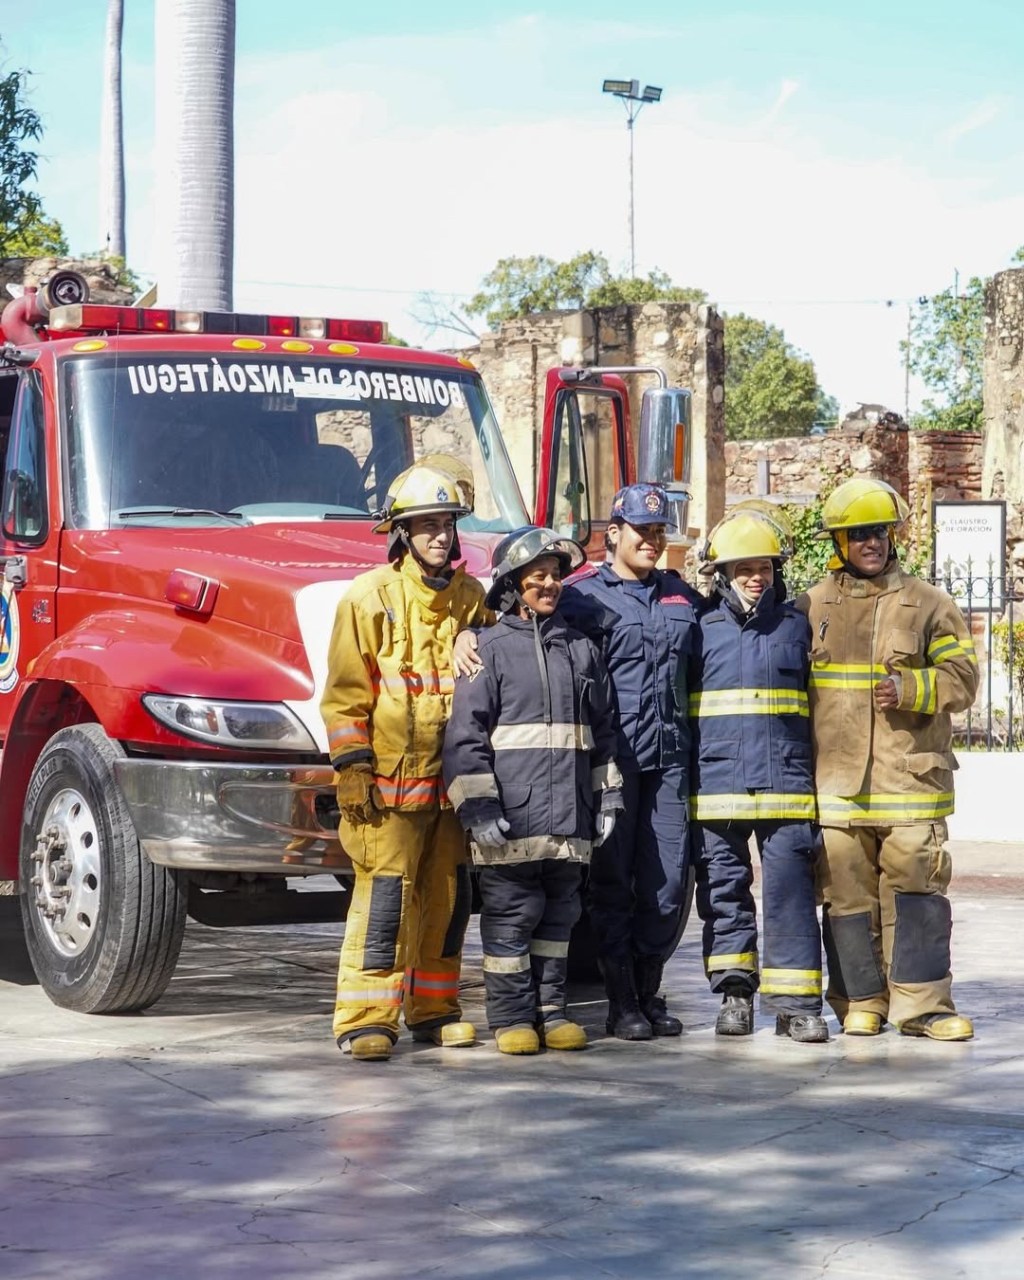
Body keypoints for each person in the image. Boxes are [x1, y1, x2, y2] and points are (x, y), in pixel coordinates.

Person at [321, 454, 493, 1062]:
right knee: (385, 903)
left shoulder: (473, 598)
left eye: (446, 524)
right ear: (402, 534)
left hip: (452, 791)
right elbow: (345, 695)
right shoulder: (369, 599)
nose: (441, 536)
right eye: (426, 526)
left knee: (447, 902)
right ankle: (366, 1017)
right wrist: (352, 767)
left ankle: (435, 1008)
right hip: (388, 791)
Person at [797, 477, 979, 1041]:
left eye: (880, 532)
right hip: (836, 787)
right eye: (859, 534)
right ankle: (861, 1000)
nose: (872, 542)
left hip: (909, 781)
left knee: (916, 895)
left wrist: (912, 689)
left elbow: (964, 679)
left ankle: (924, 1006)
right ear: (840, 542)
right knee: (846, 900)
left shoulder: (928, 603)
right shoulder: (810, 606)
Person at [443, 527, 623, 1054]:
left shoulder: (582, 652)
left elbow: (603, 734)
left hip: (569, 821)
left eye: (554, 576)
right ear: (511, 584)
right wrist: (477, 807)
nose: (548, 584)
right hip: (509, 824)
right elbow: (465, 736)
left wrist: (607, 796)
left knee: (560, 921)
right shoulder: (487, 651)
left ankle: (552, 1014)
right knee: (511, 923)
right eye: (536, 576)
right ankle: (511, 1019)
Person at [557, 483, 702, 1041]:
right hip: (612, 764)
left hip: (669, 762)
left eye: (659, 532)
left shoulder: (680, 596)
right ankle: (620, 1003)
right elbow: (519, 620)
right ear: (613, 534)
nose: (652, 540)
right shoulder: (581, 594)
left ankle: (648, 991)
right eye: (642, 531)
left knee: (666, 886)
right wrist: (468, 636)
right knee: (613, 882)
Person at [690, 504, 828, 1043]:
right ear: (722, 574)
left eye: (765, 567)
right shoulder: (698, 629)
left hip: (787, 788)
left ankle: (796, 1007)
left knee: (791, 898)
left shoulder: (798, 627)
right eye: (744, 567)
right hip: (717, 788)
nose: (755, 577)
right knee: (724, 894)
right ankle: (734, 994)